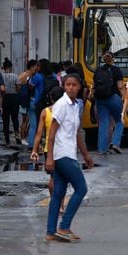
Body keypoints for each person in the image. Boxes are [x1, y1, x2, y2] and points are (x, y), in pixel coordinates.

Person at [44, 74, 94, 243]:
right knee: (81, 188)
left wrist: (86, 155)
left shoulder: (75, 106)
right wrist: (49, 158)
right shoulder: (61, 105)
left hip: (68, 153)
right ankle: (64, 226)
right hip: (62, 154)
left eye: (74, 85)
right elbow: (51, 133)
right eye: (68, 85)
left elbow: (77, 133)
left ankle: (51, 231)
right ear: (64, 86)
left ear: (79, 87)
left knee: (58, 193)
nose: (71, 87)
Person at [31, 86, 65, 211]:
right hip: (63, 149)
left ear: (50, 98)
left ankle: (54, 203)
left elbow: (39, 133)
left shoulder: (45, 112)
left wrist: (34, 150)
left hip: (48, 150)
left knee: (53, 178)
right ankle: (61, 206)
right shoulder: (65, 111)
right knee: (62, 179)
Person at [91, 51, 124, 156]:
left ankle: (102, 150)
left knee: (103, 124)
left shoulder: (98, 70)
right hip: (114, 98)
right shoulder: (116, 70)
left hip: (100, 99)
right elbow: (120, 86)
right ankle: (115, 143)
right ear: (113, 59)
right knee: (120, 120)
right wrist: (125, 97)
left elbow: (94, 86)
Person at [1, 58, 20, 145]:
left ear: (4, 68)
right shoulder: (15, 76)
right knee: (15, 118)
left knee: (6, 120)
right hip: (14, 98)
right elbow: (18, 87)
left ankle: (7, 139)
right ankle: (17, 136)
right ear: (11, 67)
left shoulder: (1, 76)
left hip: (5, 98)